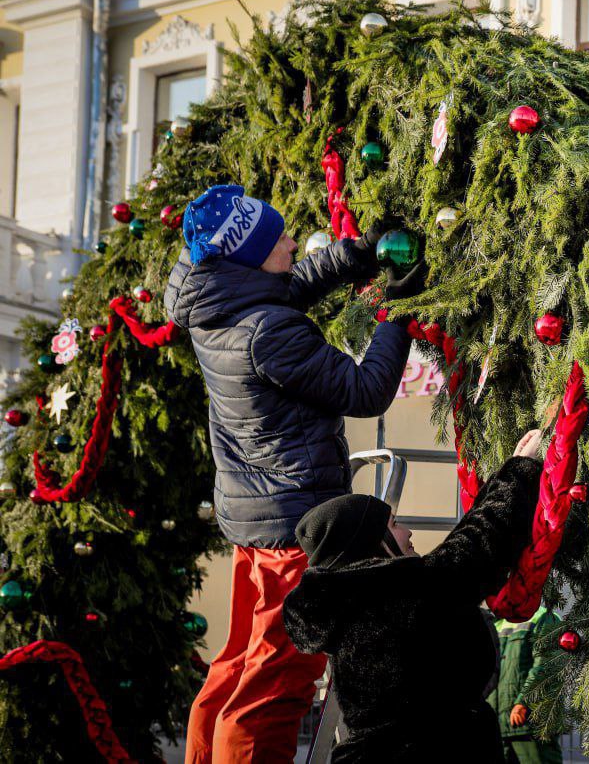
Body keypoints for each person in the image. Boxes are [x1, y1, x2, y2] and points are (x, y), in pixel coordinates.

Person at [166, 184, 423, 763]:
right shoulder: (267, 332)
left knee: (237, 665)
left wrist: (358, 252)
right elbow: (365, 389)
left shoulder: (217, 302)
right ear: (250, 255)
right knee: (276, 682)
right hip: (293, 532)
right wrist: (395, 312)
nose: (290, 241)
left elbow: (288, 286)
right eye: (277, 238)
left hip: (254, 518)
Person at [283, 430, 547, 763]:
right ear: (370, 544)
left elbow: (460, 548)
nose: (408, 532)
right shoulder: (398, 595)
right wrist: (523, 467)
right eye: (394, 524)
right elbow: (479, 543)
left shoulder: (356, 603)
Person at [488, 604, 564, 764]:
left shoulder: (544, 617)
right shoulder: (494, 621)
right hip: (498, 728)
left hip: (529, 726)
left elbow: (544, 665)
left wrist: (524, 702)